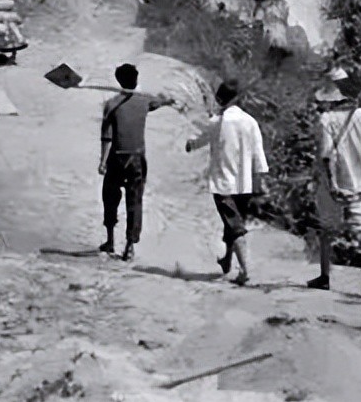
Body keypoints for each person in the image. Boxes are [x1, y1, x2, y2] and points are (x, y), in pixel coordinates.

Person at [307, 71, 361, 299]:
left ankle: (324, 277)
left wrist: (331, 184)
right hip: (360, 183)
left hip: (336, 184)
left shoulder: (326, 120)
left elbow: (325, 155)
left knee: (326, 231)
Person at [185, 79, 269, 286]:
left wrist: (190, 145)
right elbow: (259, 154)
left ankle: (245, 271)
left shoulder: (218, 122)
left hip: (223, 183)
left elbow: (200, 140)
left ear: (219, 99)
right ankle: (227, 260)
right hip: (245, 183)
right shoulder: (250, 121)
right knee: (233, 224)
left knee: (235, 227)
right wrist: (262, 180)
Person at [98, 63, 175, 262]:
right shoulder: (144, 101)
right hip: (137, 159)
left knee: (110, 197)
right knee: (135, 201)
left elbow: (107, 138)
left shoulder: (111, 105)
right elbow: (159, 102)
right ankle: (130, 246)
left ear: (118, 81)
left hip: (116, 157)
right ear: (136, 80)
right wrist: (168, 101)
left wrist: (102, 162)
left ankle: (110, 240)